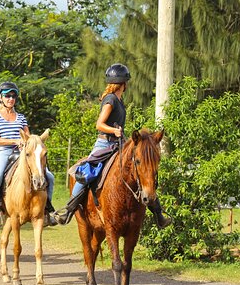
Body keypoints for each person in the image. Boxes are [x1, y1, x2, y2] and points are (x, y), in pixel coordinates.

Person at [53, 64, 172, 228]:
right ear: (124, 83)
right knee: (87, 173)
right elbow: (99, 124)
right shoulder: (110, 100)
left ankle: (158, 214)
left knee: (141, 170)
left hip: (118, 144)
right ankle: (68, 209)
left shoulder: (119, 99)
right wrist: (114, 131)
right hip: (104, 143)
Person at [0, 81, 56, 227]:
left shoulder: (21, 117)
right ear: (0, 98)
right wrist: (15, 140)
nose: (11, 99)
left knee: (49, 176)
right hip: (3, 151)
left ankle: (46, 210)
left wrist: (30, 142)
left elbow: (28, 137)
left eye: (13, 96)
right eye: (7, 96)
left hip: (22, 153)